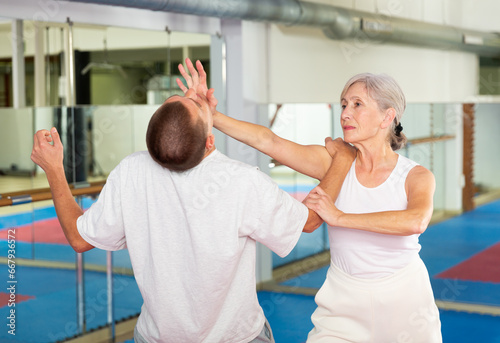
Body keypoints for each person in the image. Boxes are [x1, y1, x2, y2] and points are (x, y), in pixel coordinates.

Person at [30, 59, 352, 342]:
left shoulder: (133, 171)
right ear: (210, 142)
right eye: (189, 103)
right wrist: (341, 161)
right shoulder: (241, 181)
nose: (190, 96)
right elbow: (309, 221)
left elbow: (77, 236)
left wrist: (54, 168)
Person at [179, 62, 442, 342]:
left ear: (387, 117)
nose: (345, 114)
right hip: (343, 302)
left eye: (357, 105)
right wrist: (211, 114)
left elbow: (416, 221)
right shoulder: (334, 163)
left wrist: (339, 217)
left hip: (405, 300)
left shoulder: (415, 176)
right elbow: (270, 142)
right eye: (343, 105)